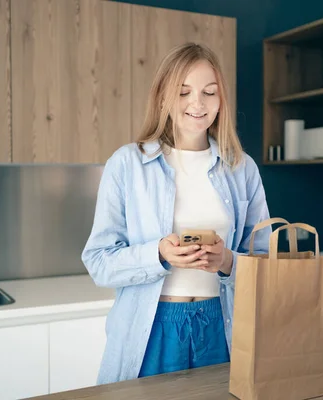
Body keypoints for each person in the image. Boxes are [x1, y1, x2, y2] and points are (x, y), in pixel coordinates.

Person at [81, 42, 271, 384]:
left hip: (222, 326)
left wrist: (227, 262)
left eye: (209, 92)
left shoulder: (242, 169)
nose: (197, 104)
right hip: (153, 328)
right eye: (183, 92)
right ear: (164, 97)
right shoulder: (127, 164)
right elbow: (99, 262)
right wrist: (158, 254)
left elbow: (267, 262)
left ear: (220, 100)